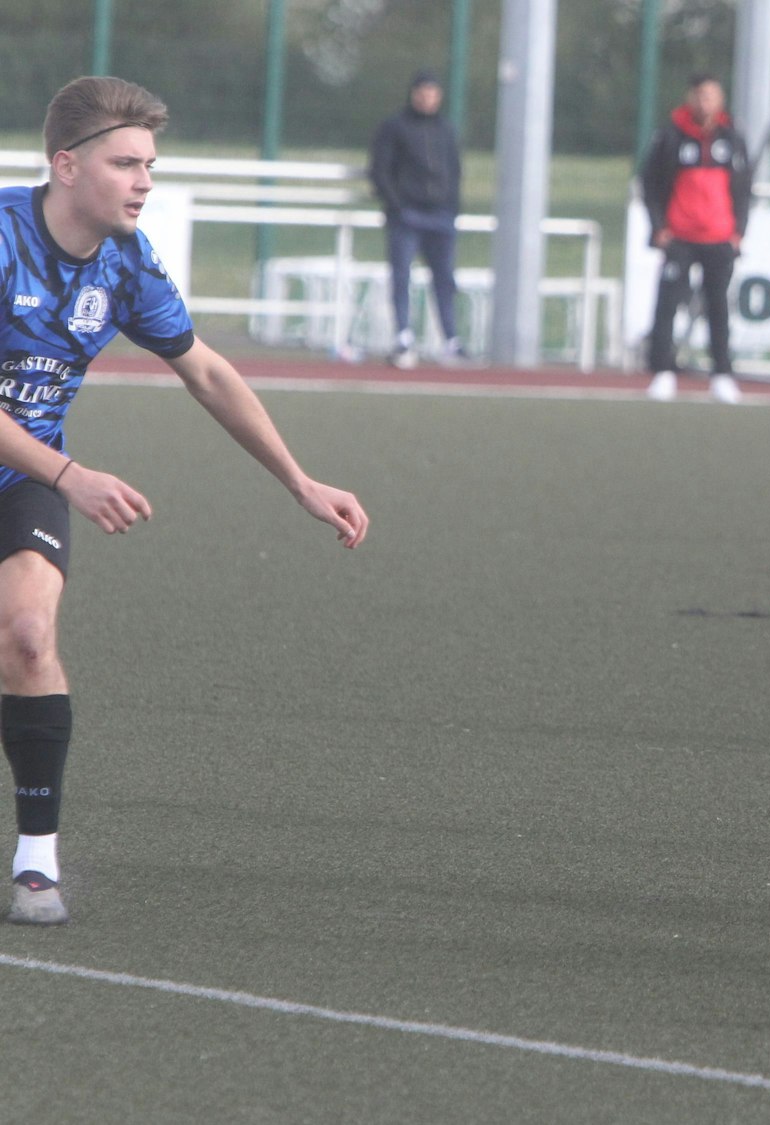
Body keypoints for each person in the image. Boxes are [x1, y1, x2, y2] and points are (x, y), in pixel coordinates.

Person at [0, 77, 371, 925]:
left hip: (22, 478)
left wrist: (301, 480)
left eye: (150, 165)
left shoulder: (127, 262)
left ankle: (35, 862)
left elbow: (205, 371)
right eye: (125, 163)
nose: (144, 182)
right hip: (49, 472)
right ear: (65, 165)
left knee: (27, 634)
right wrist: (70, 475)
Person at [641, 74, 752, 405]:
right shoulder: (670, 136)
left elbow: (743, 188)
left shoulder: (732, 138)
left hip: (719, 238)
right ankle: (663, 372)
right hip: (680, 237)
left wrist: (738, 231)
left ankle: (722, 374)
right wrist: (658, 226)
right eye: (701, 96)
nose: (706, 102)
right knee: (668, 303)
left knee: (718, 306)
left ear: (720, 100)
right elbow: (650, 183)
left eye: (712, 96)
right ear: (691, 98)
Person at [368, 70, 464, 370]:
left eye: (432, 93)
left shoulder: (446, 129)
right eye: (422, 92)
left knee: (445, 279)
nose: (427, 99)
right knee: (401, 277)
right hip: (407, 215)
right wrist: (397, 205)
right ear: (413, 94)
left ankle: (451, 341)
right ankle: (403, 338)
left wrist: (451, 206)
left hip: (441, 216)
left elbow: (454, 170)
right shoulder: (395, 127)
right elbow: (380, 170)